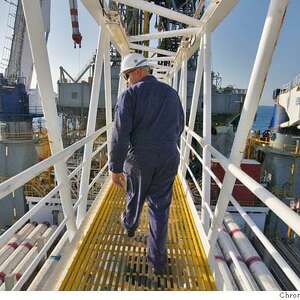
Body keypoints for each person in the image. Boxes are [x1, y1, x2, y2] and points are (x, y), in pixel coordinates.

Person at [109, 53, 184, 274]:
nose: (127, 80)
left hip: (140, 159)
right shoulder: (172, 94)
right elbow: (179, 126)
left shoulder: (130, 95)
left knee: (135, 196)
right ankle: (157, 263)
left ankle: (130, 226)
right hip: (169, 156)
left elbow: (120, 134)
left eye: (127, 75)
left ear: (139, 71)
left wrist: (115, 167)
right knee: (160, 209)